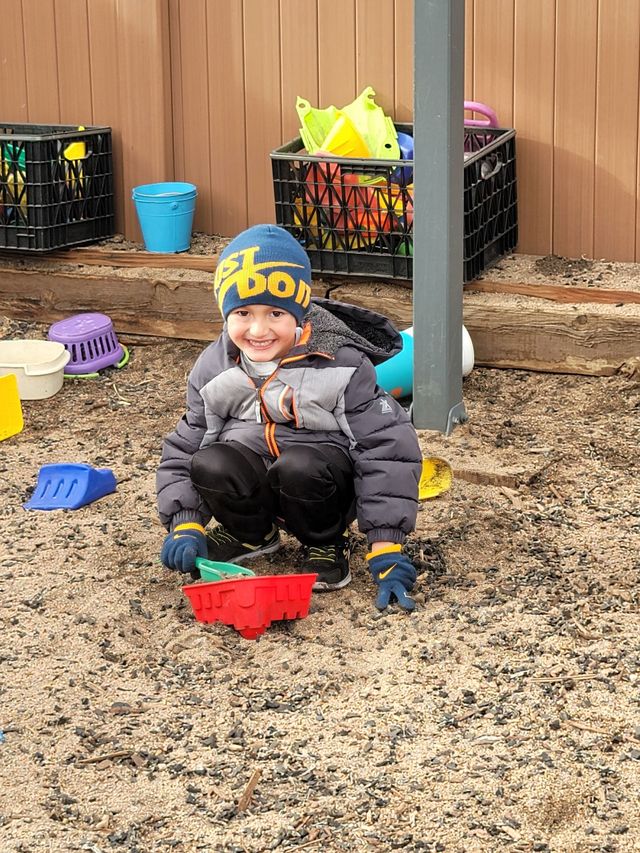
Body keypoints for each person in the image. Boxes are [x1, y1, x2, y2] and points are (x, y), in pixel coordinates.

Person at [156, 224, 422, 610]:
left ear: (299, 311)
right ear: (224, 312)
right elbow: (186, 445)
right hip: (258, 481)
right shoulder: (214, 369)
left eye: (276, 313)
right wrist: (184, 521)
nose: (258, 329)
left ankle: (326, 544)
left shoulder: (341, 365)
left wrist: (385, 545)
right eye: (243, 312)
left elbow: (386, 449)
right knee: (210, 460)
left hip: (322, 484)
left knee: (300, 464)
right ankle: (251, 534)